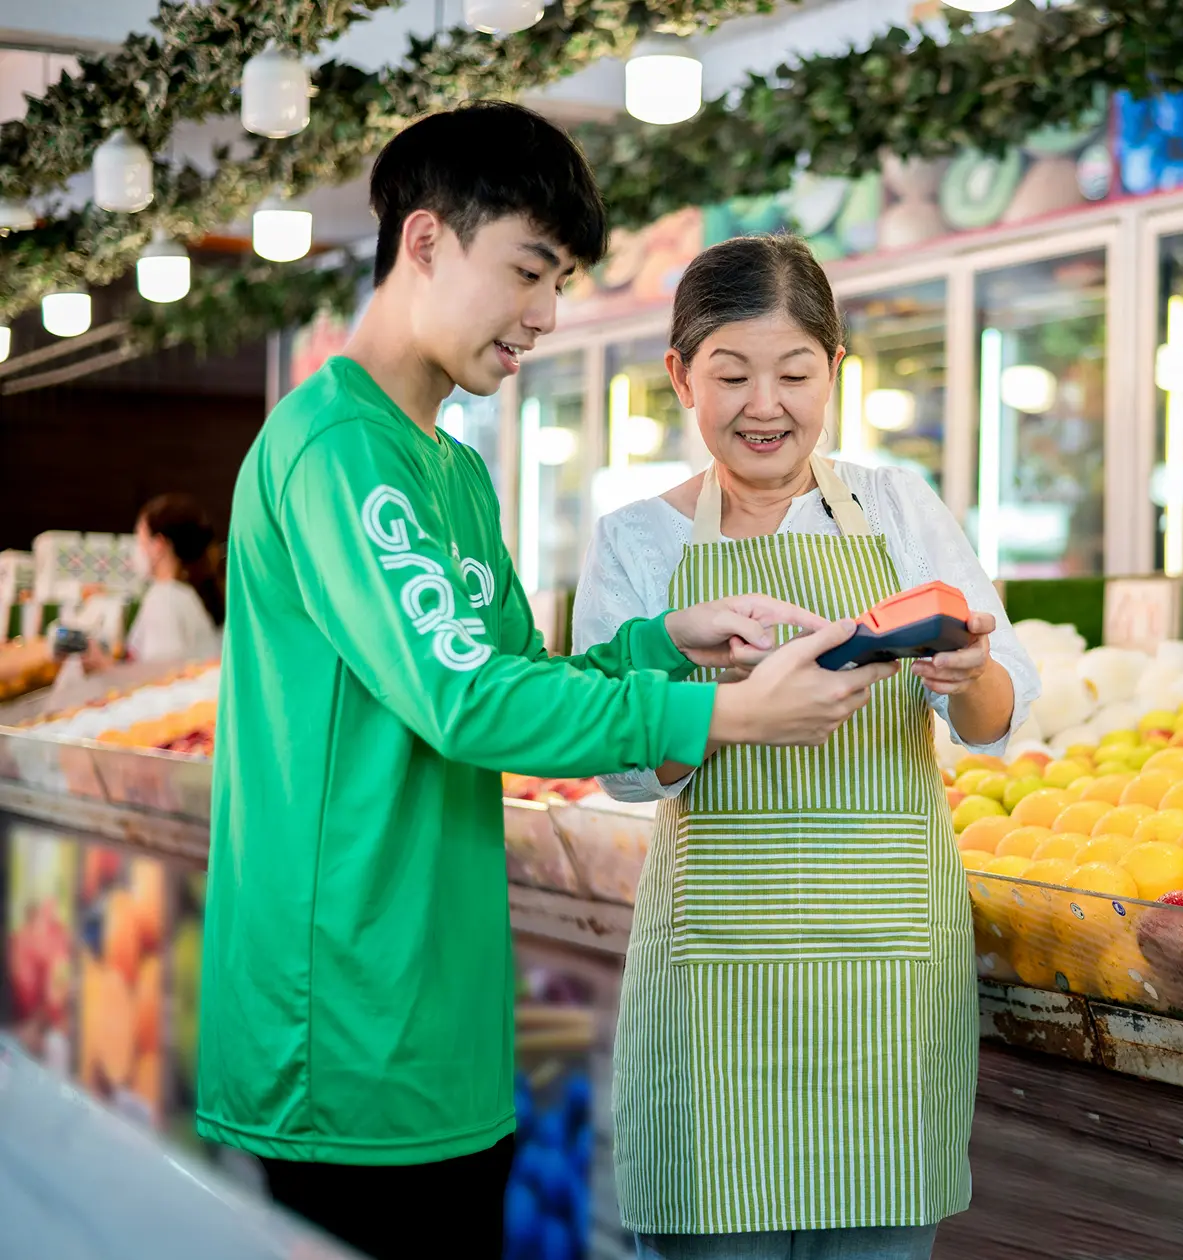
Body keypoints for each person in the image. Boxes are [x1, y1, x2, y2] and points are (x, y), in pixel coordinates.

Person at [196, 105, 891, 1260]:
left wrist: (670, 639)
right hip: (343, 1037)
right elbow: (464, 703)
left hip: (442, 1028)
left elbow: (519, 676)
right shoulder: (334, 448)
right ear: (424, 243)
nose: (546, 316)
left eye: (559, 278)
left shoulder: (451, 469)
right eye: (528, 269)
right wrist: (723, 715)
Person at [573, 234, 1041, 1260]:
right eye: (731, 375)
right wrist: (712, 693)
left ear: (836, 368)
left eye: (795, 373)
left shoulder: (900, 510)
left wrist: (966, 675)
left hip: (887, 987)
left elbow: (1003, 715)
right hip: (716, 995)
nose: (764, 407)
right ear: (680, 378)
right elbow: (616, 764)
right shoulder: (637, 543)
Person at [124, 493, 224, 662]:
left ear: (158, 545)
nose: (136, 548)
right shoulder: (185, 593)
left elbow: (159, 676)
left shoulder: (163, 600)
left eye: (139, 538)